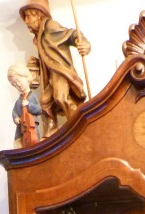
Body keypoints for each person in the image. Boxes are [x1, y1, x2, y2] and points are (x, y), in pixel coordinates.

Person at [20, 1, 91, 136]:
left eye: (29, 16)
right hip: (52, 75)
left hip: (61, 72)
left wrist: (83, 43)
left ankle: (80, 126)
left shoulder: (50, 26)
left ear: (39, 15)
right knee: (45, 101)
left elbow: (72, 34)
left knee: (61, 97)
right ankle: (50, 132)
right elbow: (47, 56)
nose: (26, 21)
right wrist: (37, 63)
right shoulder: (39, 37)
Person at [7, 63, 42, 146]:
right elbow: (14, 111)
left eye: (19, 81)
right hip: (21, 127)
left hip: (31, 126)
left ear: (26, 77)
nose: (18, 85)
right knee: (19, 142)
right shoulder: (18, 100)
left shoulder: (32, 96)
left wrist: (29, 105)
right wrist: (16, 117)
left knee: (33, 141)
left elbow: (39, 109)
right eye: (15, 85)